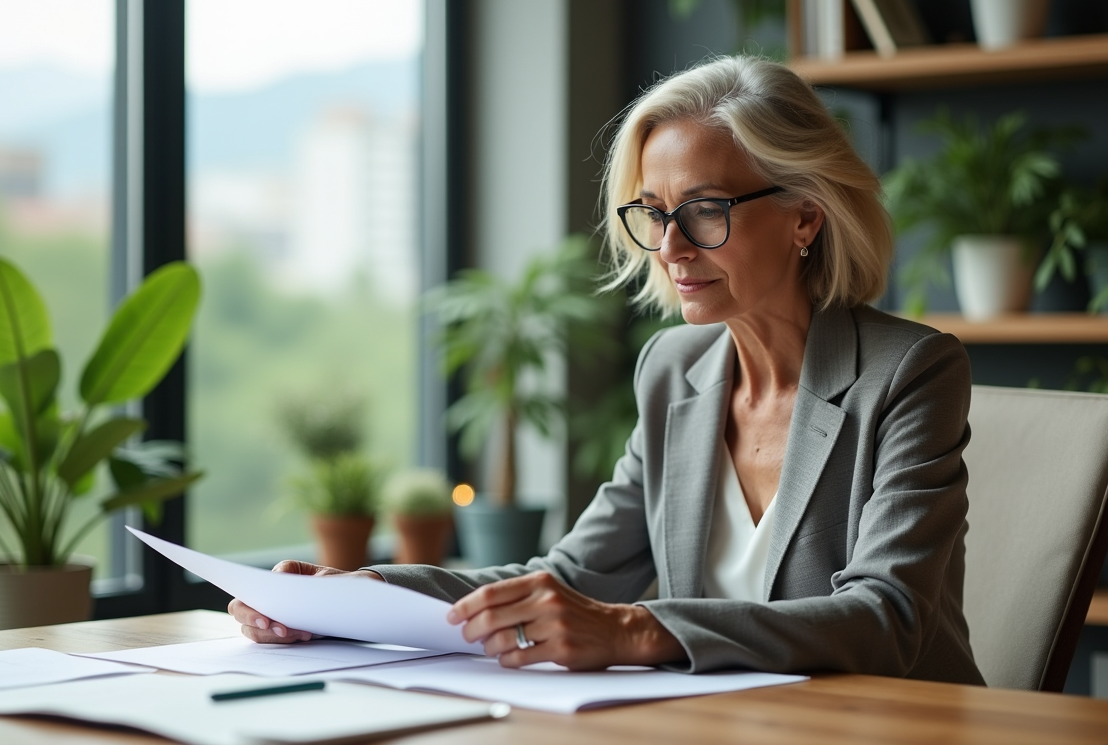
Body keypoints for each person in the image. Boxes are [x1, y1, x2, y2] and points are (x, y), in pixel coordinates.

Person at [229, 54, 984, 685]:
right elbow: (570, 580)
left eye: (705, 209)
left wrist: (634, 630)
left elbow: (889, 620)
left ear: (804, 217)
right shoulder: (673, 371)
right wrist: (363, 595)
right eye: (654, 212)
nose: (670, 247)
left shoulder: (911, 371)